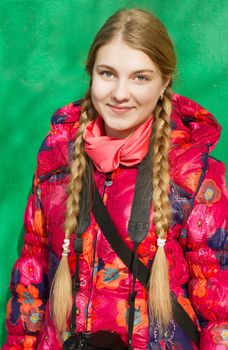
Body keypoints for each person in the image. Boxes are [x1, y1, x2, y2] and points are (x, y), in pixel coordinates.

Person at [2, 8, 228, 350]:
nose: (121, 94)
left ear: (165, 81)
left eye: (140, 77)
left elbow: (220, 308)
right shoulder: (56, 158)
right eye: (108, 74)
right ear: (90, 74)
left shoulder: (195, 175)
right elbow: (32, 273)